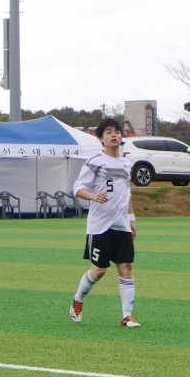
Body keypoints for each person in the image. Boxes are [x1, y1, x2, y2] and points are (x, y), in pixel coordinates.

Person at [70, 118, 140, 328]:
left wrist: (131, 219)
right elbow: (78, 188)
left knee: (126, 267)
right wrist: (93, 196)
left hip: (121, 225)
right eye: (108, 132)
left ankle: (127, 316)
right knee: (99, 271)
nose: (114, 135)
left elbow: (126, 193)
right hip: (100, 226)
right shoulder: (95, 161)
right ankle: (77, 300)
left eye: (117, 131)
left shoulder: (126, 163)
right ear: (101, 138)